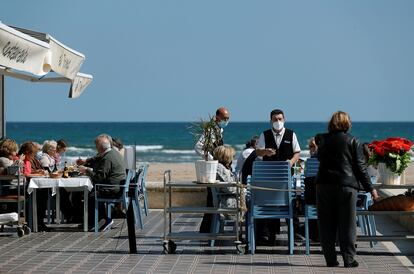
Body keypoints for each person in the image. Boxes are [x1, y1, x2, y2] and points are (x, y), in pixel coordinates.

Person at [315, 111, 379, 268]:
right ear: (346, 123)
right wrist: (371, 189)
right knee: (347, 224)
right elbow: (360, 168)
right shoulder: (353, 141)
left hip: (323, 185)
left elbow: (319, 157)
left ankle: (330, 259)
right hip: (346, 186)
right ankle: (349, 259)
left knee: (326, 224)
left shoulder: (321, 139)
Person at [254, 108, 301, 245]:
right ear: (271, 121)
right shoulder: (265, 134)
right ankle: (270, 235)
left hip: (286, 178)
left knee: (291, 203)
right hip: (269, 177)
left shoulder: (291, 134)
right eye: (275, 119)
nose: (278, 122)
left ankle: (295, 234)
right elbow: (257, 152)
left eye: (280, 119)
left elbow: (297, 152)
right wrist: (265, 151)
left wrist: (291, 163)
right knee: (270, 204)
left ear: (284, 120)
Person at [79, 134, 126, 231]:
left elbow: (99, 178)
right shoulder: (113, 152)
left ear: (100, 147)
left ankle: (104, 220)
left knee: (91, 196)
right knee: (91, 193)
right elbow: (97, 160)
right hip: (117, 186)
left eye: (96, 146)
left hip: (112, 189)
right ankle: (93, 221)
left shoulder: (107, 158)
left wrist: (86, 170)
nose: (96, 148)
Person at [195, 107, 230, 233]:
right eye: (225, 118)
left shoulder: (218, 130)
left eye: (228, 118)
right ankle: (206, 229)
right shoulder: (210, 130)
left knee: (213, 200)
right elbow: (198, 146)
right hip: (211, 169)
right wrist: (211, 160)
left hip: (216, 168)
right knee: (212, 199)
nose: (227, 120)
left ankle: (209, 228)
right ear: (217, 117)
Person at [20, 142, 49, 231]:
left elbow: (28, 172)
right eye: (32, 155)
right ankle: (37, 221)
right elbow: (23, 173)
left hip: (28, 184)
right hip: (22, 186)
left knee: (44, 192)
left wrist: (36, 172)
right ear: (27, 152)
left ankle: (39, 221)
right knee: (41, 194)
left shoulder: (28, 160)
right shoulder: (22, 160)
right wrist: (36, 174)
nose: (33, 157)